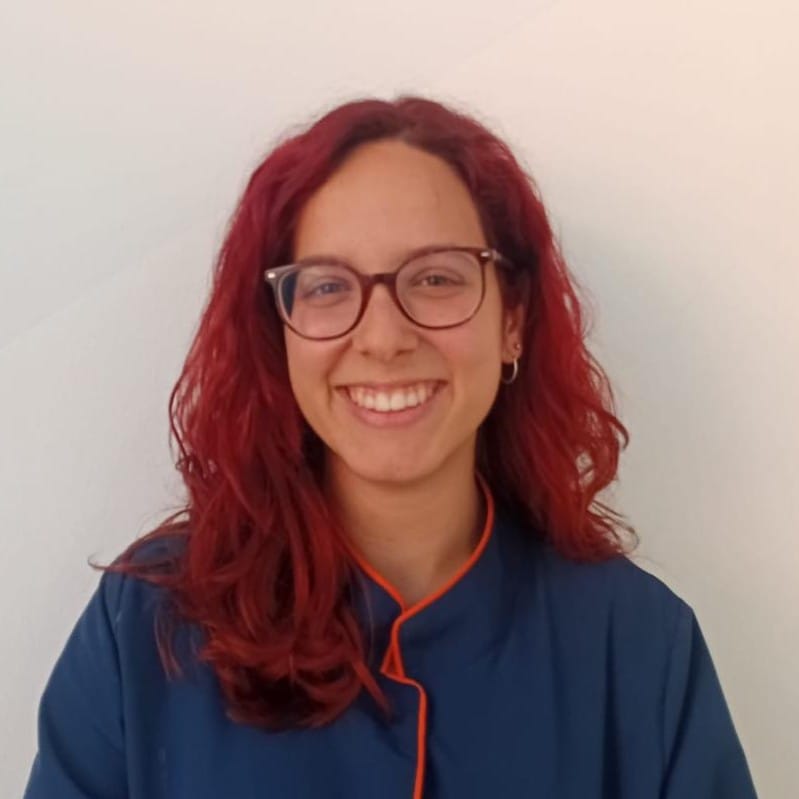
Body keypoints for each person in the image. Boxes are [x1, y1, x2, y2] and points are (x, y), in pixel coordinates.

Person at [23, 95, 758, 798]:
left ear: (513, 321)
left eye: (435, 278)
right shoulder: (145, 629)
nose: (382, 337)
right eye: (326, 287)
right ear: (278, 333)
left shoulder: (637, 646)